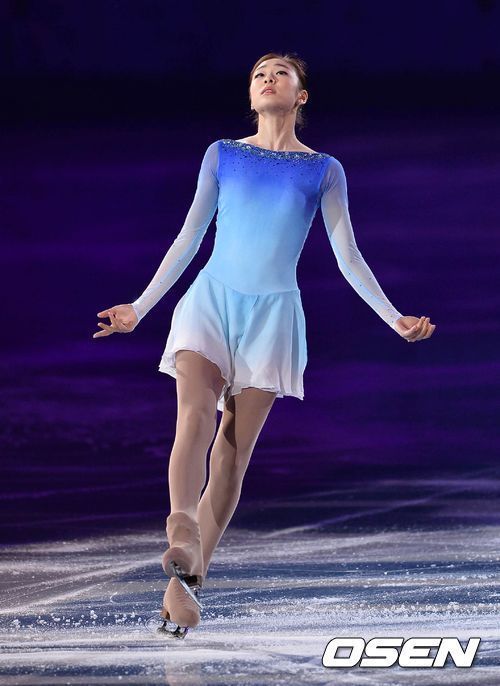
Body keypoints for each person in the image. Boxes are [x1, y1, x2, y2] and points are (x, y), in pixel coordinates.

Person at [92, 52, 436, 638]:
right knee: (195, 414)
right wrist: (140, 307)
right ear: (251, 96)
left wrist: (392, 317)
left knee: (231, 451)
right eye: (259, 75)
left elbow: (347, 254)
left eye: (280, 73)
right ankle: (181, 526)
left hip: (273, 316)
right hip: (212, 300)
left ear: (301, 95)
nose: (268, 79)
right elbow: (190, 236)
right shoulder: (223, 154)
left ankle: (187, 582)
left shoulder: (323, 170)